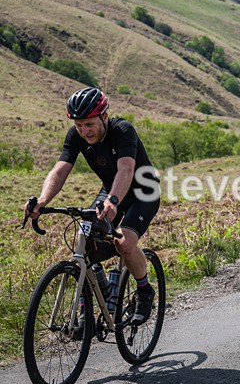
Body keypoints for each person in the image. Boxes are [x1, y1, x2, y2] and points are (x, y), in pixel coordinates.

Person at [24, 87, 161, 326]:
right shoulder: (75, 136)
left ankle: (144, 290)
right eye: (79, 125)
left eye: (89, 124)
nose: (84, 131)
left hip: (142, 192)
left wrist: (114, 201)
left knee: (124, 242)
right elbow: (60, 170)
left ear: (104, 117)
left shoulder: (123, 130)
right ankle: (91, 303)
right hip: (111, 191)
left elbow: (126, 170)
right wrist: (43, 201)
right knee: (83, 238)